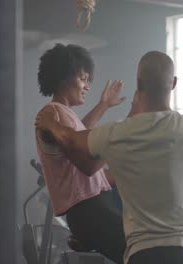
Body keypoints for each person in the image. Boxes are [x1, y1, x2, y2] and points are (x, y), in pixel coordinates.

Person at [35, 51, 183, 264]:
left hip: (143, 253)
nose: (86, 85)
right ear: (173, 84)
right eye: (82, 78)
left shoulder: (117, 134)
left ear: (138, 85)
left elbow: (77, 145)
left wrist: (53, 126)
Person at [35, 43, 127, 263]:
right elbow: (87, 161)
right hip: (89, 208)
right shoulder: (53, 113)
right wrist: (119, 134)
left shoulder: (62, 113)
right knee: (139, 254)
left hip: (94, 205)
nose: (87, 86)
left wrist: (103, 105)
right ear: (65, 78)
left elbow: (79, 136)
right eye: (83, 78)